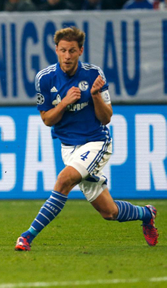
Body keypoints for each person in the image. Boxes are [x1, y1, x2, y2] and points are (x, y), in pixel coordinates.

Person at [15, 27, 158, 251]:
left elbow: (106, 117)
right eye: (63, 50)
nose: (68, 56)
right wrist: (63, 103)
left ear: (81, 50)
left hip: (96, 142)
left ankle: (27, 236)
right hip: (68, 148)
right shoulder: (44, 78)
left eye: (72, 50)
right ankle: (146, 213)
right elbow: (47, 120)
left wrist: (94, 96)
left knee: (64, 180)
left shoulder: (94, 75)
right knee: (109, 212)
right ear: (56, 50)